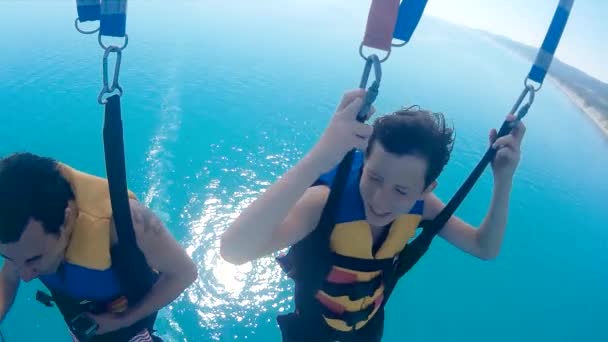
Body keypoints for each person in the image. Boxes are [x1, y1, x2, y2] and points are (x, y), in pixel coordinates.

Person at [220, 89, 526, 341]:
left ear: (425, 189)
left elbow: (484, 247)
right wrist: (321, 157)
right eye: (374, 177)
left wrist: (503, 180)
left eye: (401, 191)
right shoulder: (325, 202)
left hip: (367, 326)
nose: (381, 201)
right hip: (311, 327)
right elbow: (233, 251)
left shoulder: (425, 206)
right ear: (364, 161)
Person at [0, 152, 198, 342]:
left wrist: (124, 320)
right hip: (81, 323)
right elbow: (10, 275)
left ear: (67, 220)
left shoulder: (129, 224)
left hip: (129, 328)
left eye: (34, 259)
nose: (25, 277)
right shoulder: (21, 235)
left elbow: (185, 273)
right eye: (8, 258)